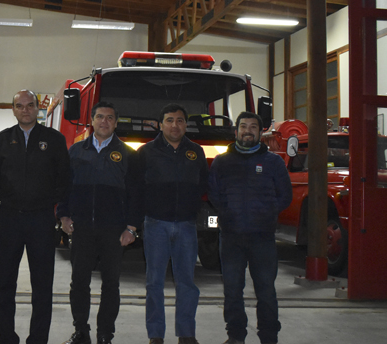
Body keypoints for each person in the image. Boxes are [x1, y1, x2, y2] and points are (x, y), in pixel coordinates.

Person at [0, 89, 71, 344]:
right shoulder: (0, 140)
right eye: (19, 105)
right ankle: (7, 337)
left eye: (30, 105)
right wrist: (15, 201)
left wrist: (44, 203)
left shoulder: (54, 140)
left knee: (42, 285)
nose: (25, 110)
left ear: (38, 108)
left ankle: (38, 339)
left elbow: (64, 179)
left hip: (41, 221)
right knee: (4, 283)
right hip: (10, 219)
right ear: (13, 109)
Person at [57, 102, 140, 344]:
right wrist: (63, 215)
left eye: (110, 118)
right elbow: (64, 188)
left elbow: (136, 194)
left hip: (114, 231)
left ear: (116, 123)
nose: (104, 121)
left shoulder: (127, 154)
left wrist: (131, 228)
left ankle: (105, 334)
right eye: (100, 117)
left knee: (111, 284)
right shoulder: (75, 151)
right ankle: (81, 331)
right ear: (92, 121)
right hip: (81, 228)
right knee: (79, 282)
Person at [208, 112, 292, 344]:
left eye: (253, 127)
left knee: (266, 291)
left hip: (262, 238)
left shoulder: (273, 163)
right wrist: (227, 213)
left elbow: (285, 195)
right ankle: (236, 336)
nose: (247, 130)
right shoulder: (222, 161)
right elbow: (214, 194)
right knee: (232, 291)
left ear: (260, 132)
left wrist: (266, 212)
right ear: (236, 132)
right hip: (231, 238)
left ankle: (269, 337)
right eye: (243, 126)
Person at [136, 103, 208, 344]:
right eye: (169, 120)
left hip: (187, 226)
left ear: (186, 125)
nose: (174, 125)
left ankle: (186, 334)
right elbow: (136, 188)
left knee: (187, 282)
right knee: (154, 282)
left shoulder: (196, 151)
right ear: (160, 124)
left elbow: (203, 185)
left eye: (179, 120)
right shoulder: (146, 152)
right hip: (156, 224)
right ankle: (156, 335)